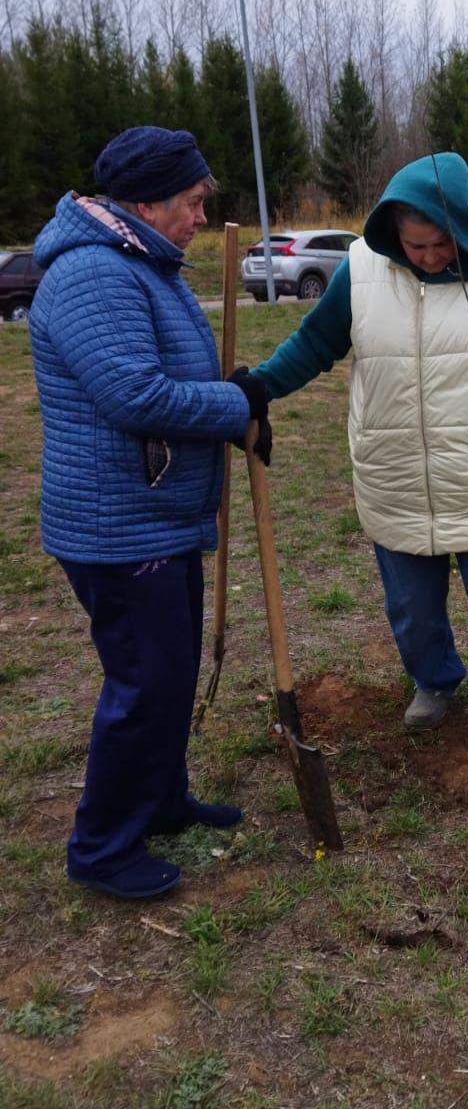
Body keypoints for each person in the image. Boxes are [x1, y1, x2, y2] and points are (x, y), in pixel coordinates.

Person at [245, 151, 468, 792]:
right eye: (413, 243)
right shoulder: (363, 269)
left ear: (464, 227)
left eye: (439, 243)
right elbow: (316, 342)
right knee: (412, 607)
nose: (426, 255)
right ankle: (434, 679)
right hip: (394, 469)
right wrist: (257, 389)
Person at [29, 126, 272, 900]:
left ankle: (160, 801)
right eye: (195, 201)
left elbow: (166, 374)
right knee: (144, 682)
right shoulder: (95, 277)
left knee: (169, 676)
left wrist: (228, 398)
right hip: (117, 525)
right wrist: (236, 404)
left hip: (155, 513)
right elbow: (135, 396)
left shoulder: (142, 264)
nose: (204, 215)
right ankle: (102, 848)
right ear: (145, 200)